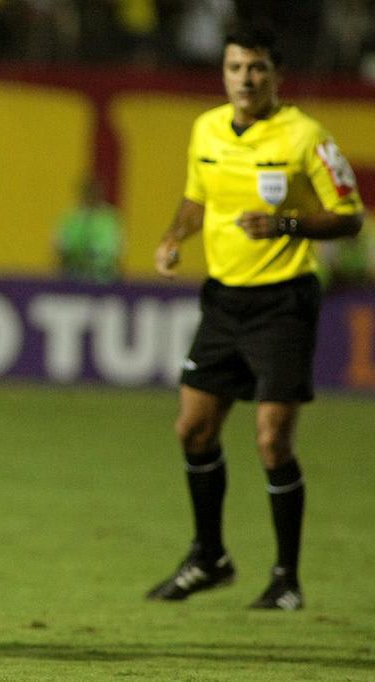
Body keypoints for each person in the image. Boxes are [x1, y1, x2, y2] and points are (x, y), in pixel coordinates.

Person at [148, 25, 364, 611]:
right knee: (192, 429)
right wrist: (174, 236)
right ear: (223, 73)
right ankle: (209, 556)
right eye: (236, 68)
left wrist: (287, 224)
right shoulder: (206, 128)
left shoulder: (305, 136)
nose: (246, 79)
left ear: (276, 76)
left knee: (272, 441)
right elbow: (198, 197)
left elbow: (350, 217)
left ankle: (286, 578)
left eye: (257, 69)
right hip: (224, 300)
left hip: (283, 300)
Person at [54, 175, 124, 283]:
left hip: (104, 279)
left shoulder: (110, 219)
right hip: (73, 277)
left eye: (95, 192)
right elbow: (60, 249)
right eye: (88, 192)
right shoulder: (71, 218)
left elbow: (116, 252)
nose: (91, 196)